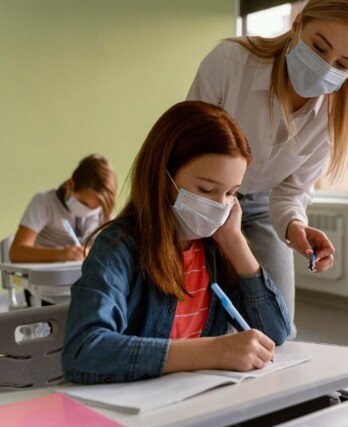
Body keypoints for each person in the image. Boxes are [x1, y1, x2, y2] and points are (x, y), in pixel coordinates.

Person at [62, 101, 291, 384]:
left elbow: (276, 333)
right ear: (163, 175)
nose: (220, 206)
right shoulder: (118, 246)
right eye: (206, 189)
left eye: (232, 193)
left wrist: (234, 241)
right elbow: (83, 351)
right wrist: (210, 351)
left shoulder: (214, 249)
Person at [186, 0, 348, 330]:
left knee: (279, 328)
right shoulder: (231, 63)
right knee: (200, 318)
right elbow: (186, 147)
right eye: (319, 47)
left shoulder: (336, 115)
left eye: (342, 64)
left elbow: (290, 192)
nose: (324, 67)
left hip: (262, 206)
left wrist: (295, 228)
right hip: (203, 195)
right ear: (297, 25)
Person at [9, 154, 117, 263]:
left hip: (85, 276)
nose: (89, 211)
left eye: (96, 208)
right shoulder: (44, 202)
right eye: (84, 203)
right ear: (70, 184)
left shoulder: (105, 209)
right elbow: (16, 252)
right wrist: (61, 254)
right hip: (47, 276)